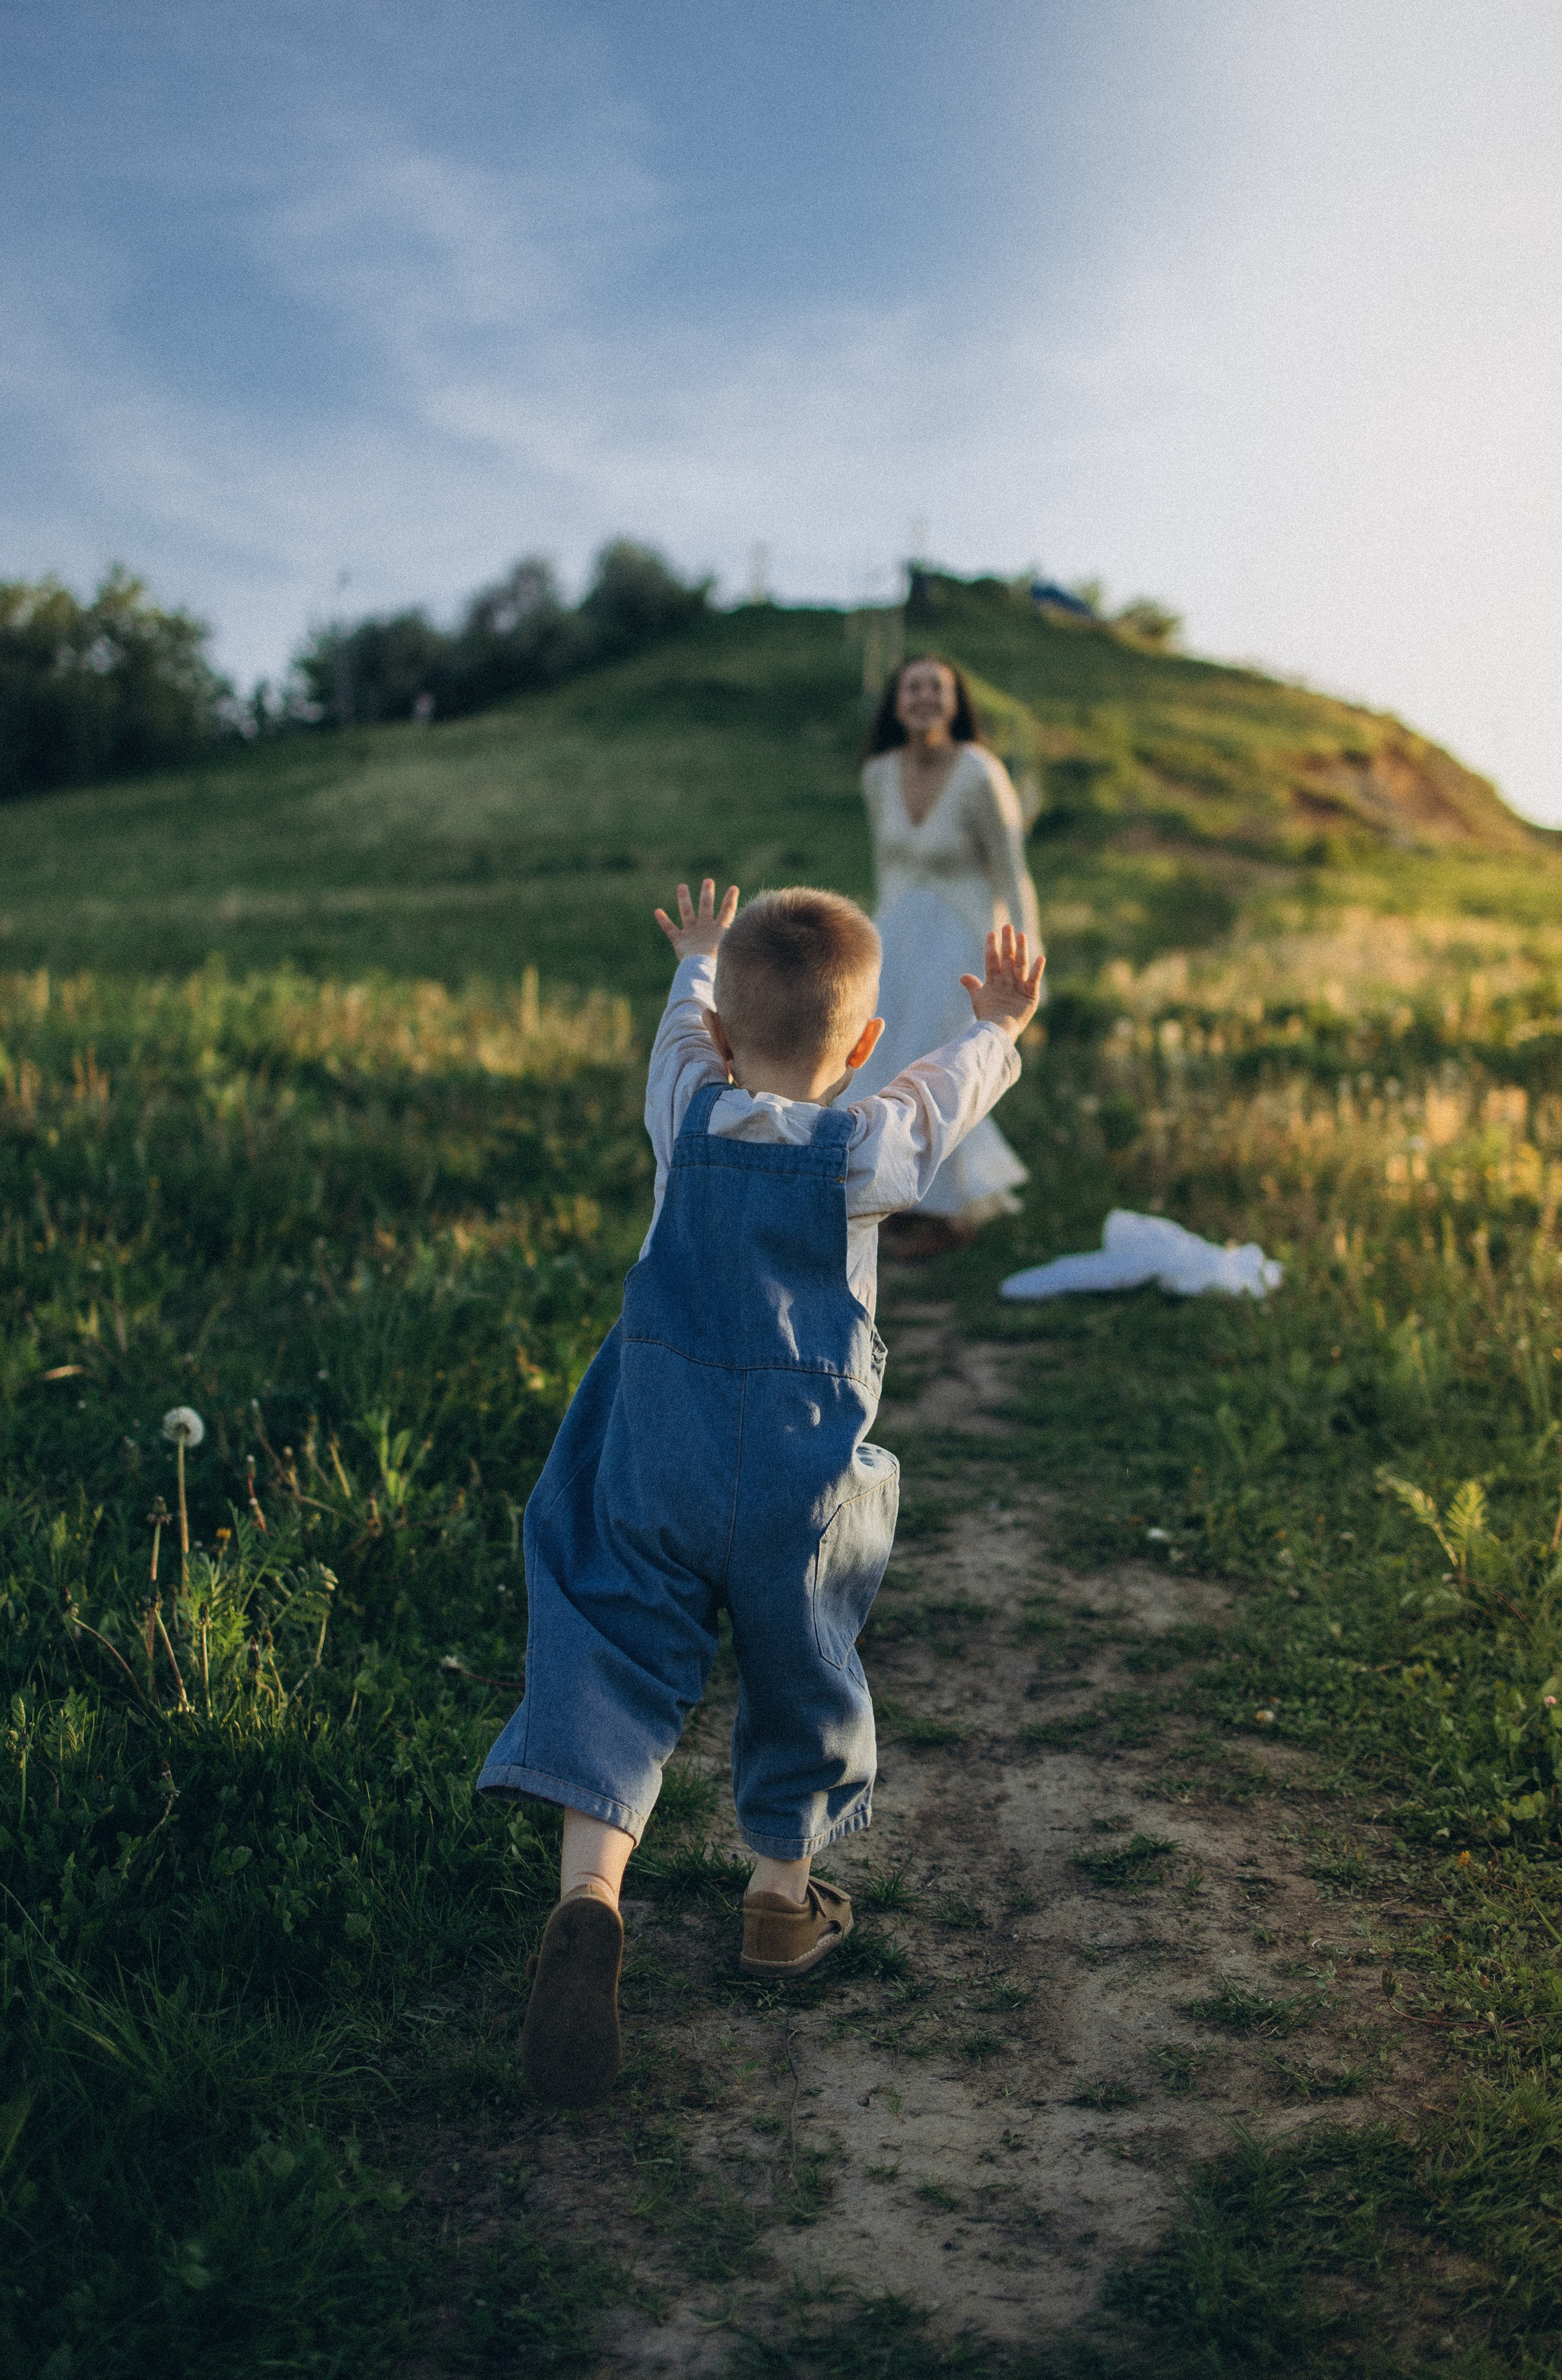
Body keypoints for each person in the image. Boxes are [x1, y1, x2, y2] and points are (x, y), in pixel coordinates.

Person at [477, 879, 1044, 2105]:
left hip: (655, 1449)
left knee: (612, 1636)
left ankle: (590, 1894)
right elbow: (941, 1098)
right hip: (795, 1472)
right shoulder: (868, 1146)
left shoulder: (684, 1104)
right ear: (862, 1049)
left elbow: (678, 1032)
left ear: (724, 1039)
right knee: (803, 1658)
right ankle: (779, 1906)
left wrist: (693, 959)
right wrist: (996, 1025)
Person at [847, 653, 1042, 1251]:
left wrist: (1032, 968)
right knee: (874, 1062)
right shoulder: (878, 774)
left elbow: (1013, 872)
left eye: (938, 688)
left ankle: (951, 1210)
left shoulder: (981, 772)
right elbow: (886, 867)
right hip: (895, 935)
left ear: (956, 703)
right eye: (914, 688)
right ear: (897, 702)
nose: (926, 697)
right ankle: (887, 1195)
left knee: (941, 1064)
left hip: (964, 936)